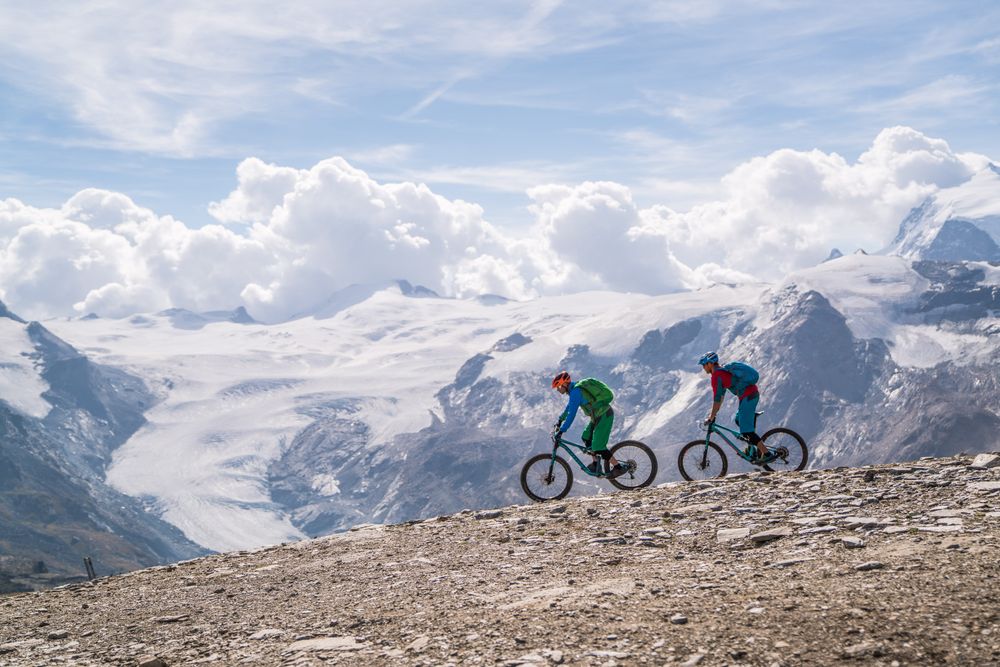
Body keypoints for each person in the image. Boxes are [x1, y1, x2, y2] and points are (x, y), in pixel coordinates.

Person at [551, 371, 626, 477]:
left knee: (598, 447)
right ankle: (596, 464)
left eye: (558, 386)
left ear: (564, 384)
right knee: (586, 437)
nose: (558, 390)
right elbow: (569, 407)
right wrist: (560, 420)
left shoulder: (576, 392)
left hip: (604, 415)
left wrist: (562, 429)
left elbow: (572, 414)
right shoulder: (573, 391)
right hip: (597, 417)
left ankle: (619, 468)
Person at [698, 352, 767, 460]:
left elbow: (717, 400)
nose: (703, 367)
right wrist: (714, 413)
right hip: (749, 395)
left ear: (709, 364)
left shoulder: (717, 376)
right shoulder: (721, 371)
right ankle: (751, 450)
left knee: (746, 431)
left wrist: (711, 417)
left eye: (704, 365)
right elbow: (720, 398)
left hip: (748, 396)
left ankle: (766, 454)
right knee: (738, 420)